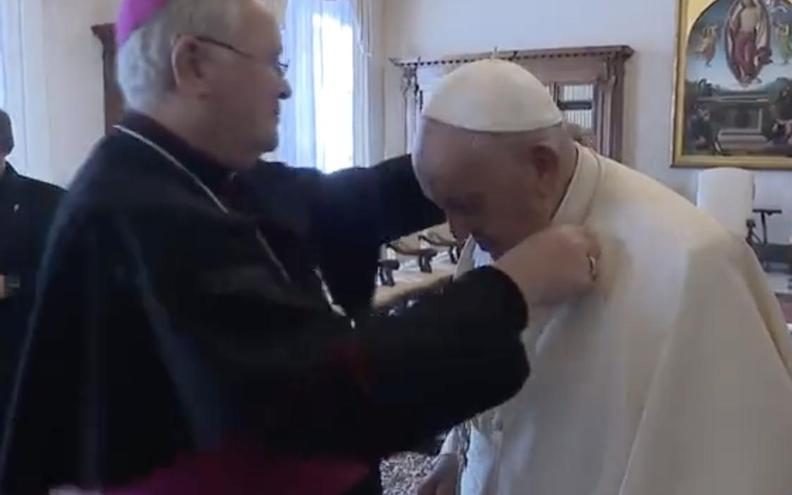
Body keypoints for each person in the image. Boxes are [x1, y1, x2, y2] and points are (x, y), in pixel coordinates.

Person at [0, 2, 601, 495]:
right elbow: (319, 393)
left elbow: (350, 200)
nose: (287, 87)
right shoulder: (134, 211)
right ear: (194, 66)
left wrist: (485, 156)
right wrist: (516, 287)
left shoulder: (199, 176)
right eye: (274, 62)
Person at [415, 59, 792, 495]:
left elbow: (742, 473)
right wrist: (455, 456)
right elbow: (490, 394)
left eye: (466, 206)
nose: (457, 232)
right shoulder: (491, 231)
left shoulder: (695, 264)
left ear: (541, 167)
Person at [0, 109, 64, 433]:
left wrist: (10, 284)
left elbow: (67, 279)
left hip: (19, 359)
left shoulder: (47, 202)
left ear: (4, 148)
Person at [725, 0, 772, 85]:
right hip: (741, 34)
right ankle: (746, 74)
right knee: (738, 55)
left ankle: (750, 74)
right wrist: (733, 25)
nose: (746, 1)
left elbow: (760, 16)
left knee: (749, 56)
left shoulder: (756, 10)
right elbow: (736, 24)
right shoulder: (741, 11)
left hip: (750, 35)